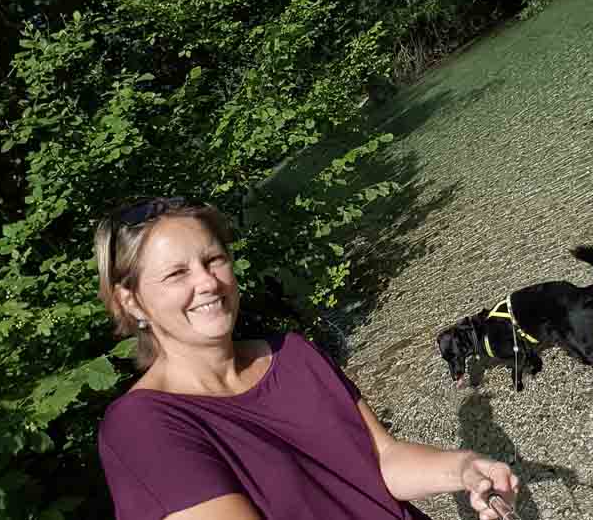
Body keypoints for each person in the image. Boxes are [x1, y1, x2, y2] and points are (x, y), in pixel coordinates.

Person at [94, 197, 519, 520]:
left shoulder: (292, 354)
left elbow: (383, 460)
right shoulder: (143, 427)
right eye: (176, 273)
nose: (207, 282)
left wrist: (464, 468)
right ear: (130, 301)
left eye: (213, 259)